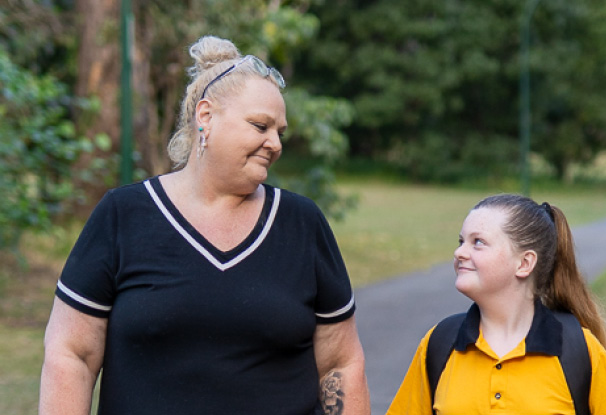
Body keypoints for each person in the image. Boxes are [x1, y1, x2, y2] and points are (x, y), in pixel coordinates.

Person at [39, 35, 370, 415]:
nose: (275, 143)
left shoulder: (302, 223)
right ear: (206, 116)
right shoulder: (124, 214)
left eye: (280, 131)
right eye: (261, 126)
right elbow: (71, 354)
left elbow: (341, 364)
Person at [386, 194, 606, 415]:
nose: (460, 252)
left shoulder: (578, 349)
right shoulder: (440, 343)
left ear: (524, 263)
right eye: (461, 241)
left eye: (478, 242)